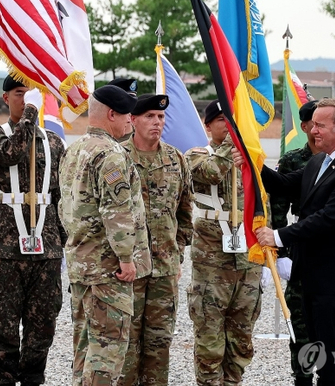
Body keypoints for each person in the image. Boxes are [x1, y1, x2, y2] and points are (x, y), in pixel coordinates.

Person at [236, 98, 335, 386]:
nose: (313, 131)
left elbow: (328, 219)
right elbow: (285, 184)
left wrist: (277, 236)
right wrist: (253, 163)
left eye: (320, 125)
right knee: (320, 354)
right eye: (312, 125)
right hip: (312, 276)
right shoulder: (318, 162)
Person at [59, 84, 149, 386]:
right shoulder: (111, 154)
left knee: (84, 348)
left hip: (82, 266)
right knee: (107, 350)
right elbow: (117, 212)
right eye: (127, 115)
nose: (130, 121)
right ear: (112, 114)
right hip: (108, 270)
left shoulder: (74, 150)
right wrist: (126, 258)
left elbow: (64, 208)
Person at [0, 76, 66, 386]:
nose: (26, 99)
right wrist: (30, 112)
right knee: (4, 326)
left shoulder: (54, 143)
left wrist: (60, 240)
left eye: (31, 95)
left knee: (43, 324)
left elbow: (61, 196)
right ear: (6, 98)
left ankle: (32, 378)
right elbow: (12, 152)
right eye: (20, 94)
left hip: (46, 247)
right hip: (5, 247)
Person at [117, 94, 194, 386]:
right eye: (149, 116)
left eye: (161, 117)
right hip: (129, 269)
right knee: (126, 342)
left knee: (159, 343)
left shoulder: (175, 159)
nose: (157, 122)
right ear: (133, 120)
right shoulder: (118, 157)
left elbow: (185, 212)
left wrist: (178, 254)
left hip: (164, 269)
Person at [184, 100, 262, 386]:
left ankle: (232, 382)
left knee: (242, 335)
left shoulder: (250, 158)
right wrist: (231, 148)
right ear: (207, 126)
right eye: (221, 120)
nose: (228, 126)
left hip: (247, 260)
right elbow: (210, 173)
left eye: (232, 121)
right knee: (209, 335)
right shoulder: (196, 155)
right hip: (211, 261)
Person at [270, 100, 318, 386]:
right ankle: (302, 376)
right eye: (316, 122)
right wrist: (282, 252)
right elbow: (278, 208)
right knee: (299, 315)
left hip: (332, 246)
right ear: (305, 127)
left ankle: (332, 372)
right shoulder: (292, 161)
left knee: (330, 317)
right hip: (301, 242)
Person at [108, 77, 138, 143]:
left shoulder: (142, 139)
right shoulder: (99, 142)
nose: (131, 105)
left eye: (133, 100)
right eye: (126, 101)